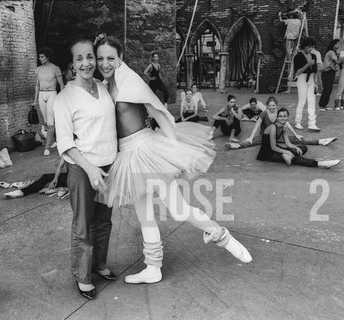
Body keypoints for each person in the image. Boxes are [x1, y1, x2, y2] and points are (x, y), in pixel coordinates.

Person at [95, 35, 252, 285]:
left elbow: (158, 111)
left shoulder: (130, 81)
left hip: (147, 150)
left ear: (120, 58)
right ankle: (153, 266)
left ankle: (221, 235)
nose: (105, 63)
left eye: (110, 58)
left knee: (177, 209)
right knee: (144, 215)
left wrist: (174, 150)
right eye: (101, 58)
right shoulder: (105, 84)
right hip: (126, 156)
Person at [53, 40, 118, 300]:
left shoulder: (103, 88)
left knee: (103, 220)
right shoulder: (64, 98)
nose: (87, 63)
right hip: (82, 169)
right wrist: (90, 168)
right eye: (79, 59)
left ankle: (99, 264)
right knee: (83, 224)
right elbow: (66, 143)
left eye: (90, 57)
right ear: (72, 64)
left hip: (108, 165)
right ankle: (83, 276)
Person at [229, 96, 336, 150]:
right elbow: (257, 126)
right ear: (267, 106)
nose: (271, 107)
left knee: (298, 139)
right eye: (270, 106)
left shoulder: (279, 113)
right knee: (251, 142)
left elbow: (287, 124)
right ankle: (236, 146)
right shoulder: (264, 113)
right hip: (265, 136)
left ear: (276, 105)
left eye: (273, 106)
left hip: (277, 136)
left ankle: (321, 141)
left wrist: (295, 134)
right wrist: (251, 137)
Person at [257, 108, 340, 168]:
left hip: (277, 149)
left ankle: (286, 156)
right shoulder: (273, 127)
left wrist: (295, 147)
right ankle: (321, 164)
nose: (282, 118)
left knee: (303, 148)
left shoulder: (283, 127)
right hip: (267, 154)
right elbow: (273, 147)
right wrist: (288, 152)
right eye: (280, 116)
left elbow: (288, 143)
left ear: (288, 117)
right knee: (295, 158)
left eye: (285, 116)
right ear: (277, 118)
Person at [34, 47, 65, 156]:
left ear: (47, 57)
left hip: (52, 94)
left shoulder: (55, 68)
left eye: (42, 57)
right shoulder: (38, 69)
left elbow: (61, 85)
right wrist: (35, 101)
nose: (40, 59)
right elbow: (37, 86)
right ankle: (56, 141)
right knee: (47, 122)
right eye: (39, 56)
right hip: (41, 95)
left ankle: (47, 147)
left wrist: (62, 98)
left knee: (50, 122)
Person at [294, 37, 320, 131]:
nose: (311, 49)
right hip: (302, 78)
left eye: (312, 47)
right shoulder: (298, 56)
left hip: (311, 79)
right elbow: (297, 72)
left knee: (312, 101)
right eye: (309, 46)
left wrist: (316, 83)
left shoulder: (314, 56)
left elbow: (316, 70)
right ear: (304, 46)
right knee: (302, 101)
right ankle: (297, 122)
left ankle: (312, 123)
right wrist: (308, 64)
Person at [319, 40, 341, 111]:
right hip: (327, 72)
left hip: (330, 72)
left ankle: (324, 105)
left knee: (329, 89)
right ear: (334, 45)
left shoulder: (333, 52)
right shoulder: (331, 52)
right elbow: (337, 61)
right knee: (327, 89)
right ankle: (321, 105)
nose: (338, 46)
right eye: (337, 44)